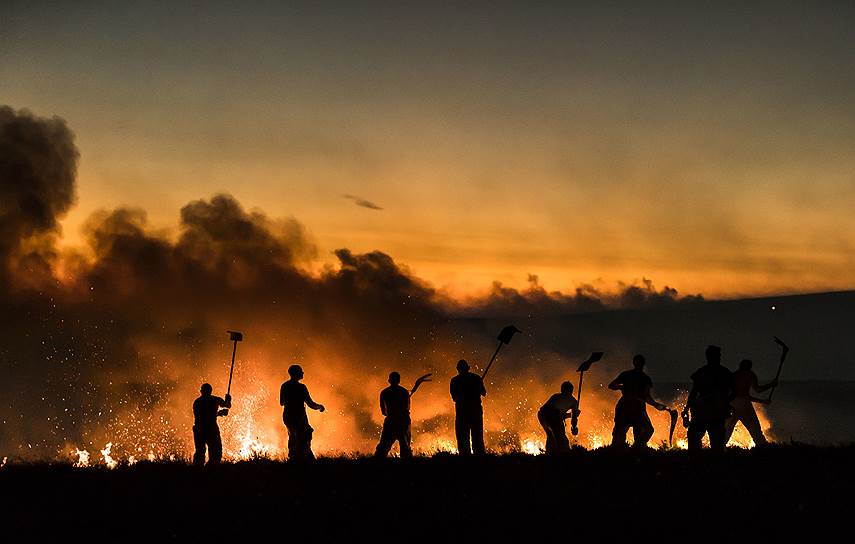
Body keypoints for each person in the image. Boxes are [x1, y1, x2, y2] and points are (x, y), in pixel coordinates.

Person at [608, 354, 669, 449]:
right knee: (646, 430)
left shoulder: (626, 375)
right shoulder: (645, 378)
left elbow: (611, 385)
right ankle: (636, 449)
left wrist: (622, 387)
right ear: (643, 364)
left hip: (624, 407)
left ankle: (621, 452)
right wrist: (656, 405)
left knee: (620, 434)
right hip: (636, 409)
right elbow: (647, 397)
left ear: (634, 363)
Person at [682, 345, 734, 452]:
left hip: (710, 412)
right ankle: (699, 464)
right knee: (699, 440)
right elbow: (694, 391)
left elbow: (734, 391)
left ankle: (702, 464)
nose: (718, 358)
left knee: (712, 441)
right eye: (716, 355)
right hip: (704, 412)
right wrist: (687, 408)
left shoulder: (721, 373)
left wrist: (725, 402)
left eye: (718, 356)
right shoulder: (721, 372)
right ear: (709, 357)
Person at [724, 359, 777, 446]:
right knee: (755, 431)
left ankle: (718, 451)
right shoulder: (750, 375)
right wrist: (771, 385)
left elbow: (732, 394)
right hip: (744, 405)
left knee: (726, 431)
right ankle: (763, 450)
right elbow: (757, 390)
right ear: (749, 367)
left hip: (732, 405)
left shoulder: (733, 375)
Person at [280, 364, 325, 461]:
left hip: (287, 416)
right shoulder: (301, 387)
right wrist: (320, 407)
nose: (303, 373)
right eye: (301, 371)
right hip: (299, 417)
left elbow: (281, 402)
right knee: (305, 435)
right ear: (296, 373)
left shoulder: (284, 386)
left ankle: (293, 457)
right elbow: (310, 403)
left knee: (293, 435)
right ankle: (305, 458)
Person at [450, 359, 487, 455]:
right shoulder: (476, 378)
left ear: (457, 369)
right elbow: (484, 393)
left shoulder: (454, 381)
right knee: (477, 437)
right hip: (475, 412)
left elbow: (454, 398)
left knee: (463, 438)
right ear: (468, 368)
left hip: (462, 413)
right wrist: (477, 387)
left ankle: (465, 460)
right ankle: (480, 459)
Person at [374, 372, 413, 458]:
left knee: (383, 447)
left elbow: (384, 412)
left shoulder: (384, 392)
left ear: (389, 380)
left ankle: (376, 466)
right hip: (403, 421)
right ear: (399, 380)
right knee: (405, 447)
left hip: (391, 422)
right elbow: (407, 408)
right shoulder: (404, 392)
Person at [192, 383, 231, 466]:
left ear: (201, 391)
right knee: (215, 451)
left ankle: (198, 471)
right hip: (210, 429)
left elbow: (226, 406)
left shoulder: (197, 402)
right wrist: (227, 402)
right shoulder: (215, 399)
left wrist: (227, 401)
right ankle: (211, 470)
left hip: (199, 429)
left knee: (200, 451)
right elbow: (226, 406)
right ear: (210, 391)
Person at [537, 381, 579, 454]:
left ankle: (551, 453)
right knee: (560, 438)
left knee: (551, 437)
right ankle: (562, 454)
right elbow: (554, 414)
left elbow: (557, 414)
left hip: (543, 416)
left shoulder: (557, 397)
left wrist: (572, 416)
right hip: (546, 416)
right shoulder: (573, 401)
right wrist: (574, 424)